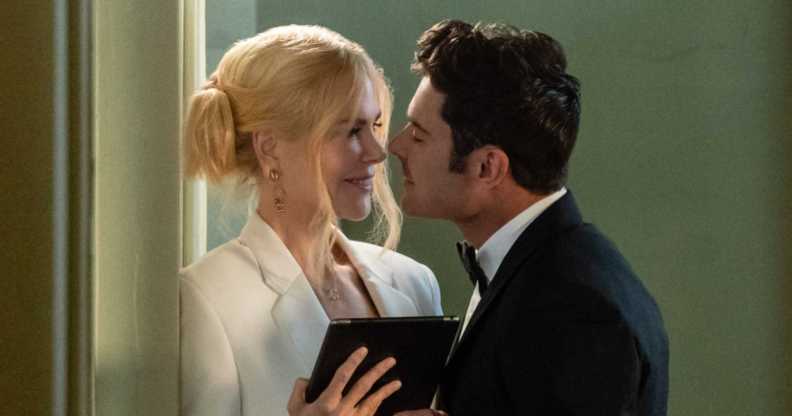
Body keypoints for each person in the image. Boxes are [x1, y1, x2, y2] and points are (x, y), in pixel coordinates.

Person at [390, 20, 669, 415]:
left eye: (418, 135)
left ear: (488, 167)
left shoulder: (574, 306)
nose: (396, 146)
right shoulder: (540, 270)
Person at [180, 25, 443, 416]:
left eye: (374, 125)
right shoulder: (206, 298)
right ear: (270, 148)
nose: (377, 152)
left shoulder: (415, 282)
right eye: (351, 130)